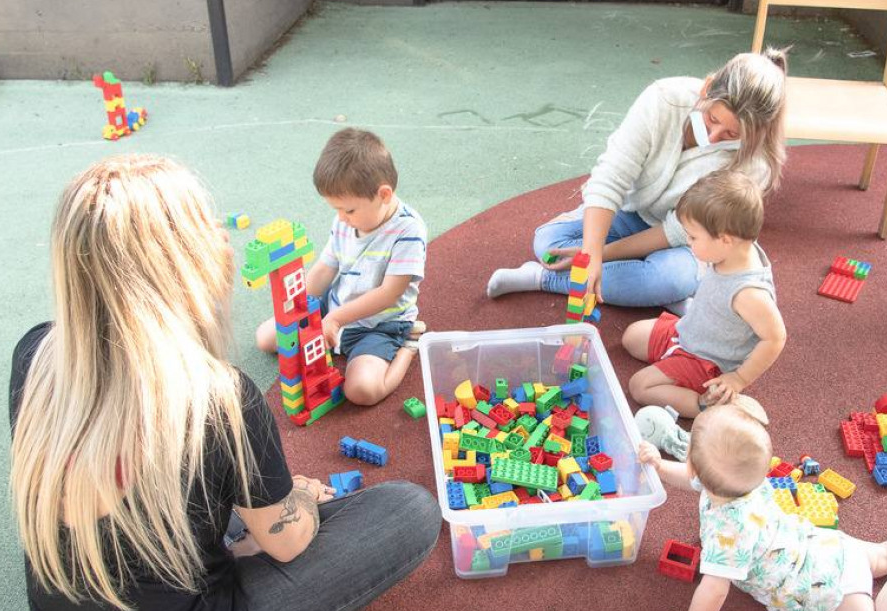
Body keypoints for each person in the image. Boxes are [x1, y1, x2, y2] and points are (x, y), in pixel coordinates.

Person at [9, 155, 441, 611]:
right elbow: (290, 542)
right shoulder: (216, 397)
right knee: (408, 510)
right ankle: (252, 532)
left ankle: (242, 528)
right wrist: (301, 500)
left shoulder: (35, 352)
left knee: (225, 497)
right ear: (186, 265)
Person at [638, 405, 887, 611]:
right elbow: (693, 478)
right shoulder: (748, 483)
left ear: (696, 468)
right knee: (879, 553)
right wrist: (658, 464)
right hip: (826, 545)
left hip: (819, 583)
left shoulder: (726, 534)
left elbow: (714, 591)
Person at [487, 49, 788, 310]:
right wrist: (589, 252)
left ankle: (543, 279)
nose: (713, 137)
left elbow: (680, 232)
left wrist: (597, 256)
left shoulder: (755, 163)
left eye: (732, 135)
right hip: (632, 214)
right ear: (707, 88)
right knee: (549, 244)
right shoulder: (665, 99)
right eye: (713, 120)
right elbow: (611, 176)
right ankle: (652, 295)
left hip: (691, 243)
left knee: (670, 279)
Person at [256, 128, 427, 406]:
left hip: (379, 325)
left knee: (361, 391)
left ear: (384, 194)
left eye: (348, 210)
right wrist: (301, 308)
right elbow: (325, 268)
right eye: (335, 209)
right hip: (335, 305)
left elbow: (389, 293)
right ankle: (329, 329)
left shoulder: (408, 230)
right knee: (266, 338)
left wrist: (335, 320)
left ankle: (408, 347)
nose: (341, 218)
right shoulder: (346, 220)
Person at [622, 170, 785, 418]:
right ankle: (674, 367)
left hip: (706, 361)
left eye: (693, 236)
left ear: (725, 240)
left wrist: (738, 378)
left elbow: (775, 338)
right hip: (689, 332)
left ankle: (705, 404)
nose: (688, 241)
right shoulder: (731, 250)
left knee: (640, 386)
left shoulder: (749, 293)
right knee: (631, 337)